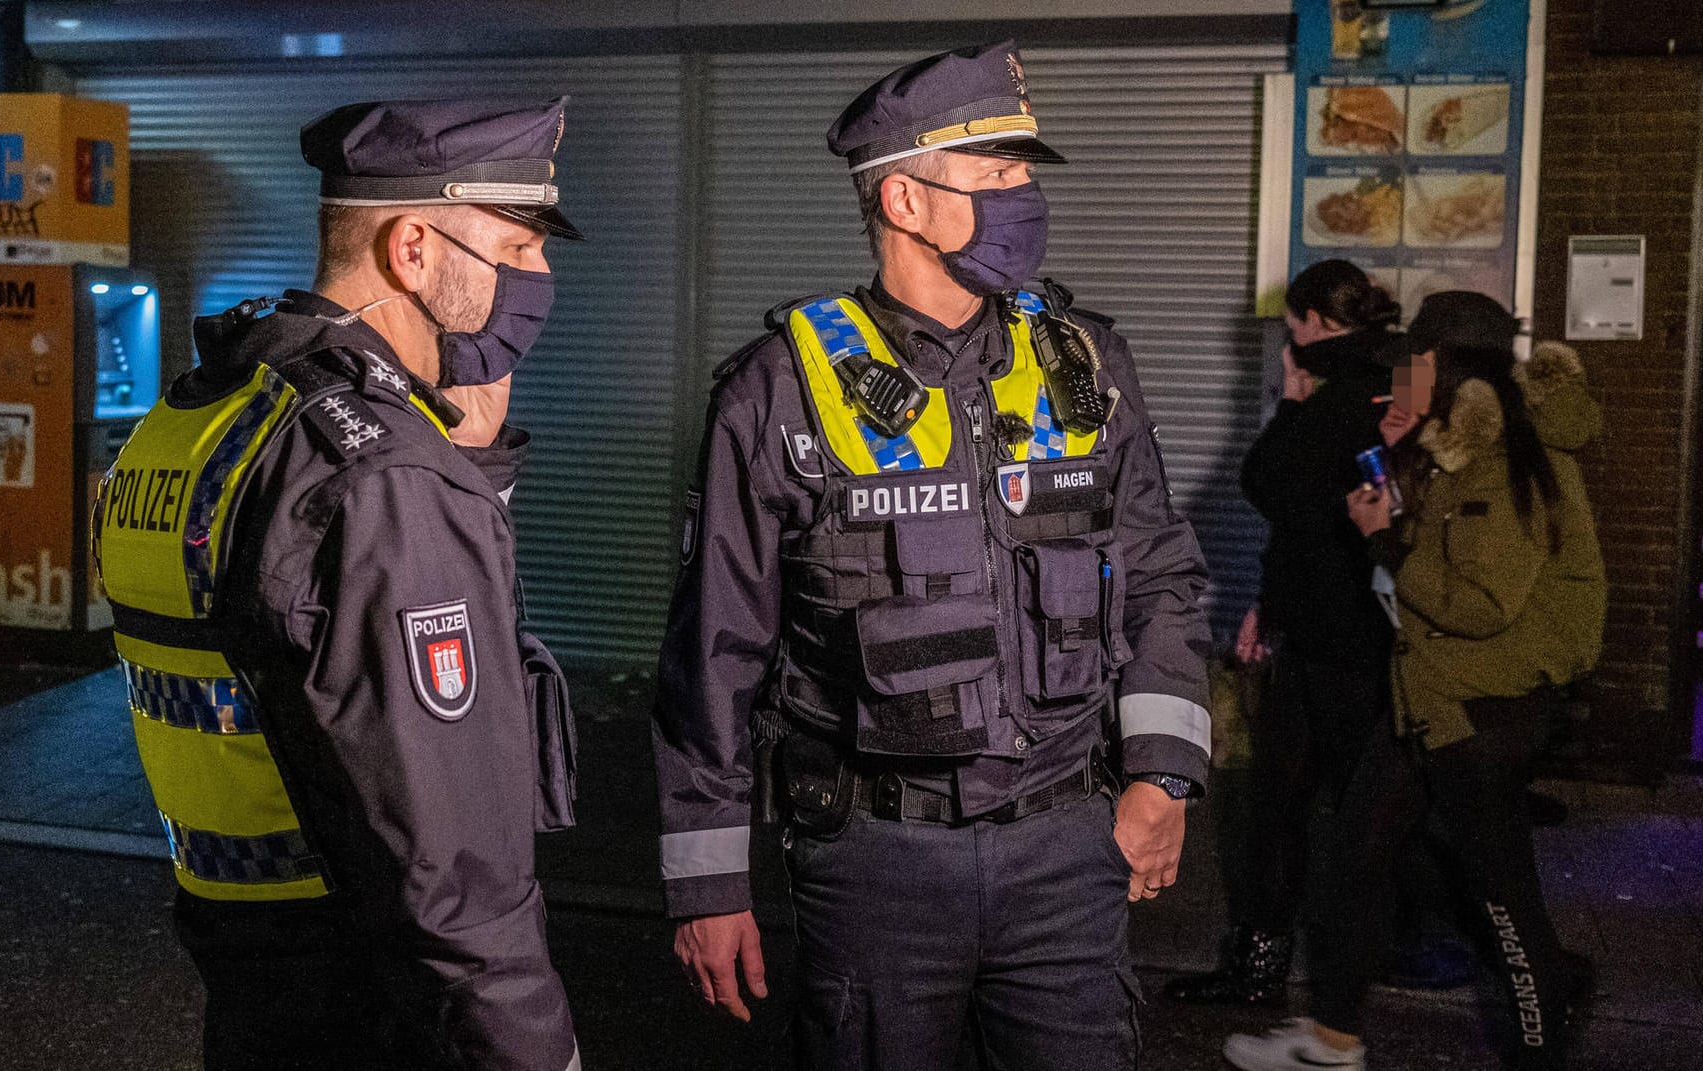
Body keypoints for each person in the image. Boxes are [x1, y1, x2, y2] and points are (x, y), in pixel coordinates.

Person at [652, 42, 1213, 1069]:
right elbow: (713, 651)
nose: (1024, 196)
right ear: (903, 201)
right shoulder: (774, 393)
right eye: (994, 175)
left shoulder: (1083, 364)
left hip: (1067, 852)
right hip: (874, 864)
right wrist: (707, 882)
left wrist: (1162, 779)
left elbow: (1160, 578)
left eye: (1022, 173)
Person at [95, 98, 585, 1071]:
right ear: (412, 248)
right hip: (380, 998)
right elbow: (448, 865)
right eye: (518, 247)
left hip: (246, 953)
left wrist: (468, 465)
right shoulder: (383, 474)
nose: (539, 278)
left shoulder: (205, 412)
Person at [1224, 292, 1604, 1071]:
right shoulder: (1464, 445)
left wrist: (1384, 539)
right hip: (1429, 697)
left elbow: (1480, 603)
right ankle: (1332, 1040)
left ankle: (1541, 1049)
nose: (1407, 370)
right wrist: (1396, 468)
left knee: (1504, 902)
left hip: (1482, 709)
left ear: (1448, 363)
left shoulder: (1510, 462)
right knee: (1355, 855)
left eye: (1418, 357)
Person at [1167, 259, 1399, 1006]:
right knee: (1300, 802)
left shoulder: (1341, 391)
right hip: (1342, 624)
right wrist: (1266, 604)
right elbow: (1303, 519)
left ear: (1315, 321)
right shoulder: (1398, 378)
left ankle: (1291, 964)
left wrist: (1294, 402)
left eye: (1294, 326)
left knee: (1307, 806)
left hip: (1340, 634)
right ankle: (1276, 958)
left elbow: (1267, 482)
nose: (1287, 343)